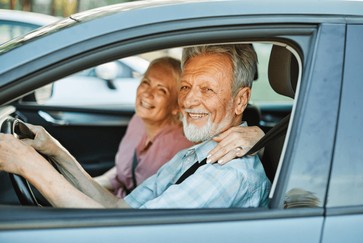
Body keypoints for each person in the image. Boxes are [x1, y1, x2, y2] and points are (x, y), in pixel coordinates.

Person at [0, 43, 270, 209]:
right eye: (186, 87)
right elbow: (120, 208)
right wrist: (55, 151)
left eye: (207, 89)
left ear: (240, 100)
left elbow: (122, 234)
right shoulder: (194, 155)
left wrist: (28, 164)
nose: (188, 99)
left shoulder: (226, 174)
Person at [94, 57, 193, 198]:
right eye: (146, 82)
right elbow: (123, 173)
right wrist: (92, 183)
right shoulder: (138, 121)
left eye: (162, 90)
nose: (147, 93)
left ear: (176, 106)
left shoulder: (180, 148)